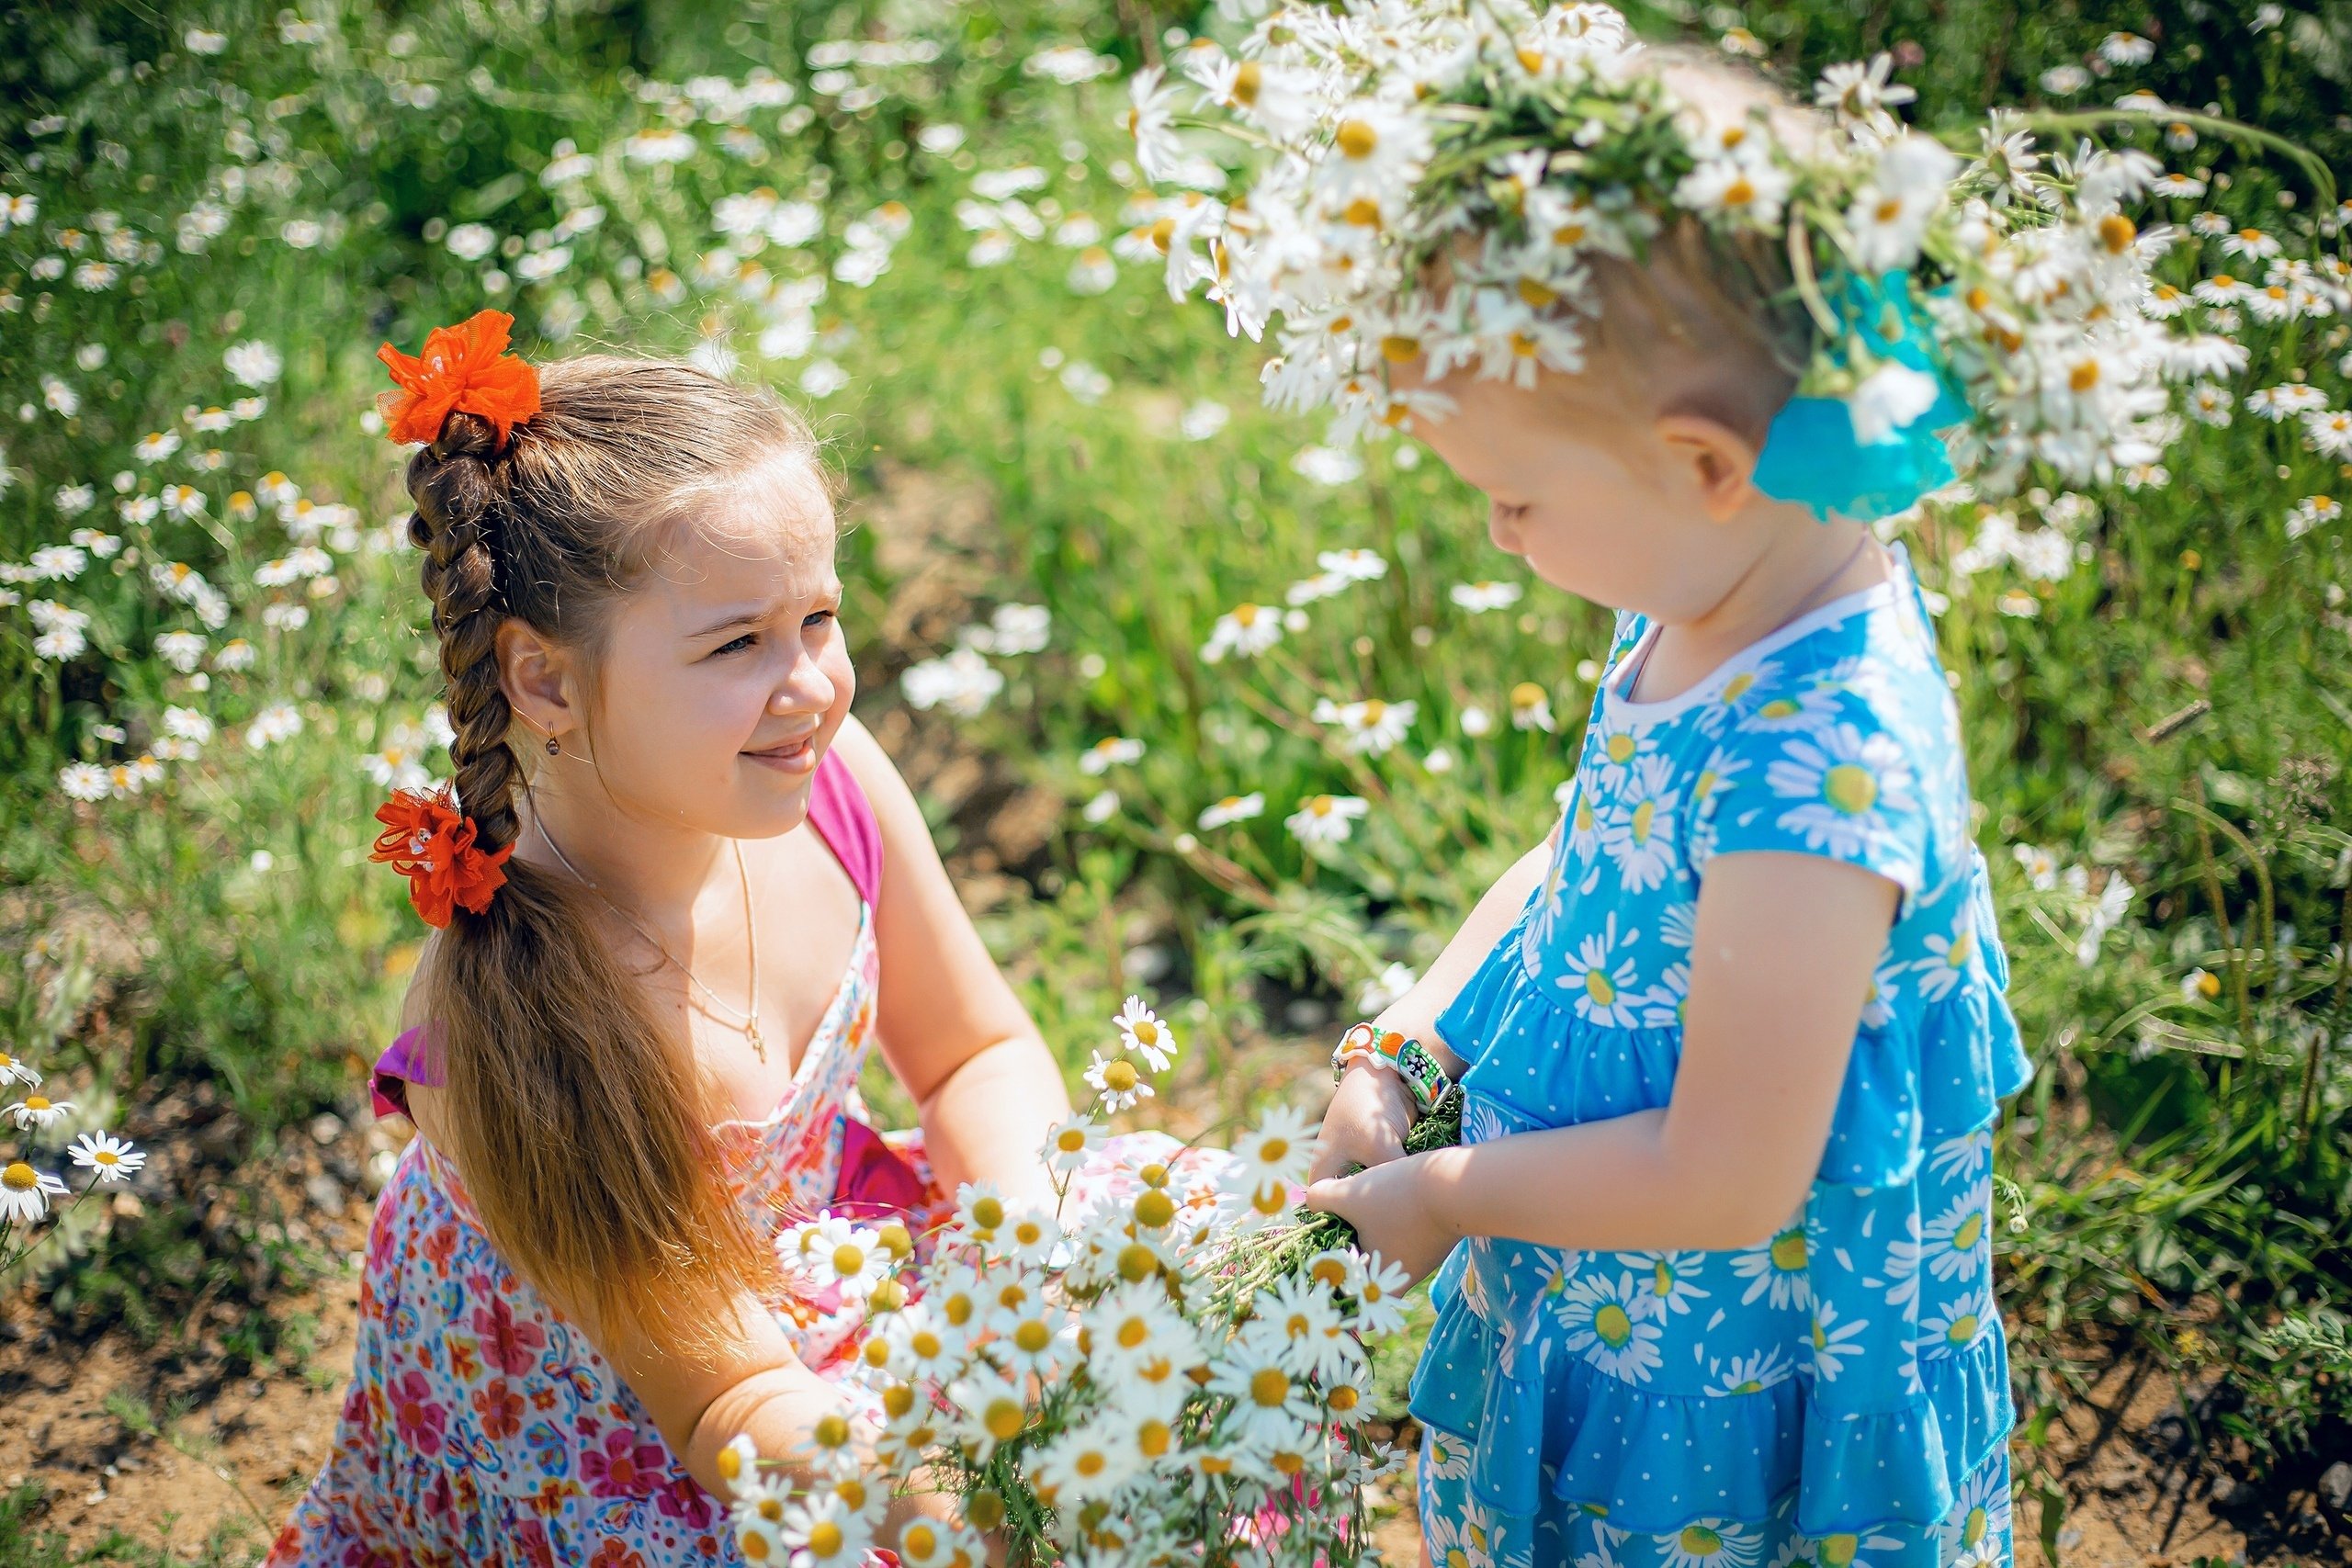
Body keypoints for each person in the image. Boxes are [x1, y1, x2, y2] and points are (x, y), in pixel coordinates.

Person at [1121, 4, 2197, 1560]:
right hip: (1611, 1283)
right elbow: (1578, 874)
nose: (1494, 532)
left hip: (1737, 1365)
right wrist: (1411, 1043)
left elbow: (1729, 1170)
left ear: (1704, 462)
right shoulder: (1707, 590)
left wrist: (1454, 1201)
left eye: (1513, 494)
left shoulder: (1825, 754)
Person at [268, 314, 1195, 1565]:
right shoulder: (522, 1008)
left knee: (1161, 1245)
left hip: (812, 1286)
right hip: (654, 1423)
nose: (812, 683)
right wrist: (972, 1504)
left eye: (818, 619)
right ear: (542, 682)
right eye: (737, 644)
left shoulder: (832, 783)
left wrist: (1029, 1262)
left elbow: (972, 1051)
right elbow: (726, 1406)